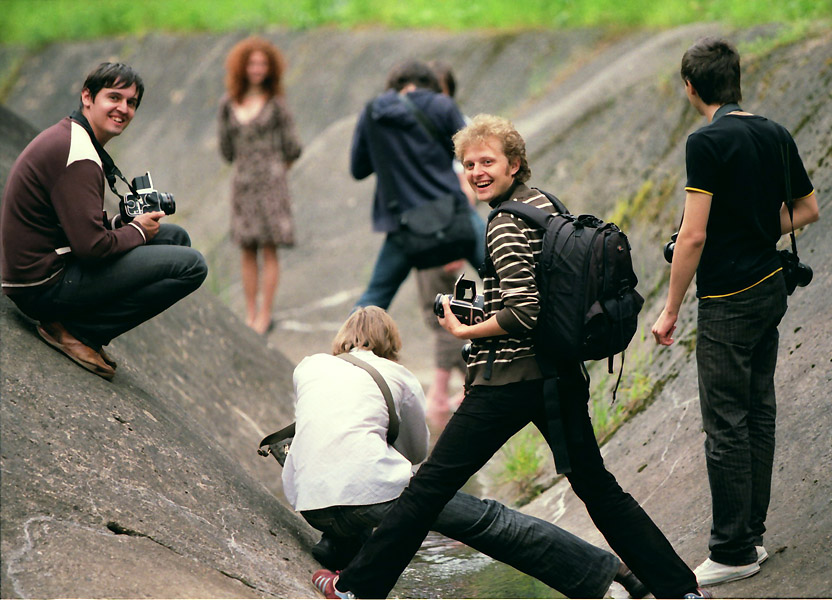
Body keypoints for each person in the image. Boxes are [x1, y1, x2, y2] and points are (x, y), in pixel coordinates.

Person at [313, 115, 709, 600]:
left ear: (513, 164)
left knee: (428, 489)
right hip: (560, 374)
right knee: (598, 486)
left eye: (487, 162)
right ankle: (681, 590)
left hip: (509, 381)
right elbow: (540, 293)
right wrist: (489, 305)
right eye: (468, 164)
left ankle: (355, 589)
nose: (477, 171)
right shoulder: (545, 203)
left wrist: (464, 327)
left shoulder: (503, 223)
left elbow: (524, 311)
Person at [286, 305, 631, 598]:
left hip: (310, 503)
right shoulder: (400, 376)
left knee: (358, 479)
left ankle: (336, 550)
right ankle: (612, 570)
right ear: (390, 342)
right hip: (371, 497)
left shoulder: (308, 367)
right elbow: (416, 453)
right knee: (491, 521)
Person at [651, 37, 819, 587]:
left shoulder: (706, 142)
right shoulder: (775, 132)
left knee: (725, 423)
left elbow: (693, 235)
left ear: (691, 88)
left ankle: (731, 550)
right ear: (737, 79)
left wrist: (669, 309)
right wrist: (751, 230)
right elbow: (807, 210)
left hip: (726, 298)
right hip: (771, 285)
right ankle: (752, 535)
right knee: (757, 411)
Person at [0, 62, 207, 380]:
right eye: (114, 97)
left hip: (41, 269)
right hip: (41, 285)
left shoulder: (74, 136)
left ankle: (75, 325)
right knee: (192, 265)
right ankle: (78, 332)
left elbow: (76, 224)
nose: (123, 109)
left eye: (131, 102)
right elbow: (91, 248)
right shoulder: (79, 153)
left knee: (174, 238)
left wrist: (120, 223)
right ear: (88, 97)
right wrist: (137, 230)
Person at [350, 59, 484, 312]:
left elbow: (358, 170)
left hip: (405, 227)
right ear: (430, 85)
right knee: (507, 276)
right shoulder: (442, 105)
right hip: (455, 216)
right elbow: (472, 154)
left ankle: (346, 346)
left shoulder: (371, 113)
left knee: (373, 299)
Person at [218, 36, 303, 335]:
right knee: (246, 248)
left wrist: (275, 169)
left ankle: (265, 313)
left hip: (270, 183)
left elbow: (293, 146)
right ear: (242, 67)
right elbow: (225, 149)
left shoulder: (277, 104)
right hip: (242, 184)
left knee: (269, 248)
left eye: (262, 63)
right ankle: (250, 312)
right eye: (252, 63)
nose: (257, 68)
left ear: (271, 68)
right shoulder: (227, 104)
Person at [413, 59, 474, 431]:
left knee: (446, 313)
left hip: (445, 233)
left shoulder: (457, 130)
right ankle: (471, 384)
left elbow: (467, 187)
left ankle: (442, 393)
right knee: (430, 310)